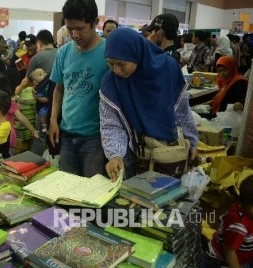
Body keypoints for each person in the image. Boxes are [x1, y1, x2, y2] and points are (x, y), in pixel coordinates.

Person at [100, 28, 198, 181]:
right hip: (135, 154)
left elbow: (182, 110)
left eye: (121, 64)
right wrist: (115, 155)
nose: (116, 70)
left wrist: (192, 141)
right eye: (111, 64)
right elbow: (111, 124)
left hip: (168, 151)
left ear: (136, 54)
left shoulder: (168, 69)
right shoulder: (111, 82)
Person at [48, 0, 108, 177]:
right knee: (67, 189)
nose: (74, 34)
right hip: (66, 134)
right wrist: (53, 120)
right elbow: (59, 88)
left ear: (95, 23)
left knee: (91, 192)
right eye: (70, 28)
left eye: (80, 29)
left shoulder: (108, 53)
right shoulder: (64, 52)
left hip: (95, 137)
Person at [202, 175, 253, 268]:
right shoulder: (239, 226)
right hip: (222, 261)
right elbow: (229, 253)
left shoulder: (245, 208)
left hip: (243, 254)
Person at [0, 70, 38, 156]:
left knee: (6, 157)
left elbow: (20, 117)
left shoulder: (8, 102)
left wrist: (33, 130)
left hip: (8, 138)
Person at [28, 68, 50, 133]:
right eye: (40, 74)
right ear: (35, 82)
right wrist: (38, 97)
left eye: (44, 72)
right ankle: (44, 126)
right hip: (44, 107)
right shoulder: (38, 88)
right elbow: (43, 99)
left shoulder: (48, 82)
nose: (44, 74)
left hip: (51, 106)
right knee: (43, 114)